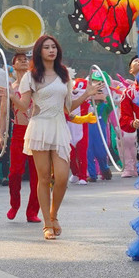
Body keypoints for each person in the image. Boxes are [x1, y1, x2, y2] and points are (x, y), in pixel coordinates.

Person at [16, 35, 100, 241]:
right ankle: (47, 223)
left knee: (62, 177)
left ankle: (54, 215)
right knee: (43, 178)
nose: (51, 50)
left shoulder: (65, 75)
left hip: (60, 127)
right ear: (39, 51)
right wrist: (11, 97)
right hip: (39, 127)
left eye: (54, 47)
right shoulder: (30, 76)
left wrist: (87, 94)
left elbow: (68, 106)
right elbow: (24, 105)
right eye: (46, 47)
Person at [3, 50, 41, 223]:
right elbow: (3, 114)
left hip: (37, 131)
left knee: (37, 175)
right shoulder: (9, 88)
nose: (24, 61)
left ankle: (32, 212)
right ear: (13, 65)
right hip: (18, 131)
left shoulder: (36, 84)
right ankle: (14, 204)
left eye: (26, 59)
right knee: (14, 173)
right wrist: (1, 135)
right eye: (19, 60)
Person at [117, 58, 139, 178]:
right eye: (136, 61)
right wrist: (133, 123)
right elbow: (125, 117)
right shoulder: (129, 93)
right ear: (131, 70)